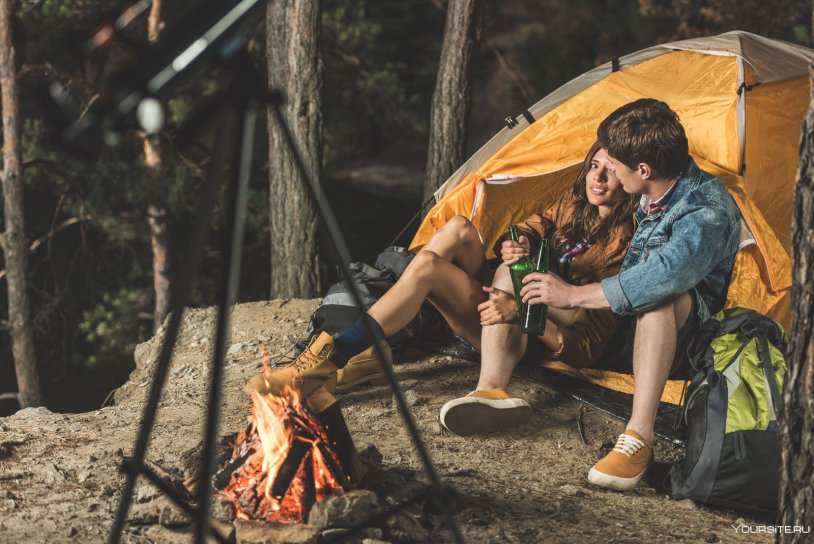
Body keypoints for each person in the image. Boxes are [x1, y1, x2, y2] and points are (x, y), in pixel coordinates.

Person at [246, 142, 637, 407]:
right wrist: (517, 244)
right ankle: (366, 346)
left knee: (430, 268)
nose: (597, 178)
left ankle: (338, 355)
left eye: (611, 171)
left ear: (633, 181)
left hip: (522, 334)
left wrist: (521, 312)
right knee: (458, 228)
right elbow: (529, 227)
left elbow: (587, 348)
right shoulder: (574, 204)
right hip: (498, 297)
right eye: (594, 165)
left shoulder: (626, 248)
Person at [517, 99, 741, 491]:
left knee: (660, 297)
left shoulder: (705, 210)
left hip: (681, 340)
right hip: (618, 321)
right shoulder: (650, 189)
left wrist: (573, 295)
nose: (611, 173)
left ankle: (639, 438)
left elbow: (664, 275)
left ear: (643, 170)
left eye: (616, 165)